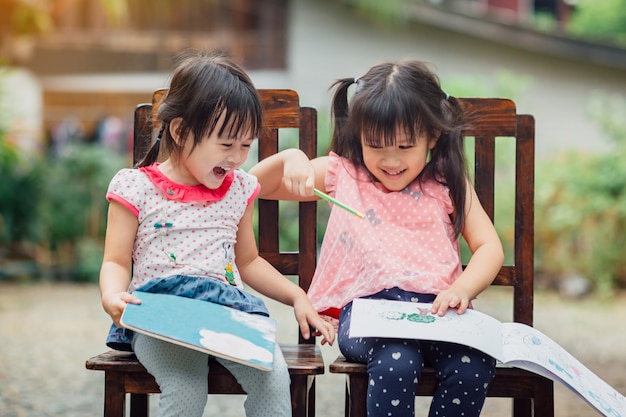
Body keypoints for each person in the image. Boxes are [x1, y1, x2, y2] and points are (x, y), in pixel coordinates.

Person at [249, 60, 504, 417]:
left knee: (472, 366)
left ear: (431, 136)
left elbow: (489, 246)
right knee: (397, 363)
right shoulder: (344, 175)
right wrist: (292, 159)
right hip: (370, 315)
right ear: (359, 136)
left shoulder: (446, 182)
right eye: (376, 146)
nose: (390, 160)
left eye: (404, 146)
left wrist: (464, 288)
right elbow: (253, 185)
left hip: (438, 313)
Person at [99, 51, 334, 417]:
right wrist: (113, 295)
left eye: (246, 145)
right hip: (162, 315)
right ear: (179, 130)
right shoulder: (136, 187)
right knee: (186, 388)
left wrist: (297, 296)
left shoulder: (238, 189)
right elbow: (115, 259)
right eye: (226, 144)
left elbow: (249, 261)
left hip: (227, 312)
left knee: (273, 379)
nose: (238, 158)